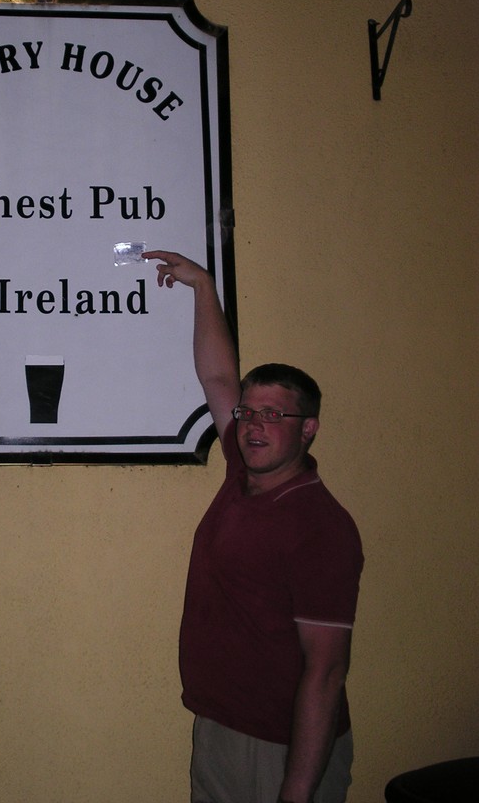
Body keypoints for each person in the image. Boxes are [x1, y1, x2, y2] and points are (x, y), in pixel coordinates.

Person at [144, 250, 364, 803]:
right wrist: (203, 286)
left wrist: (297, 790)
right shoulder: (243, 473)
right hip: (220, 727)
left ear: (308, 429)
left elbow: (326, 672)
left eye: (274, 415)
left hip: (280, 749)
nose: (253, 425)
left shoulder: (320, 527)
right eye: (248, 412)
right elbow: (218, 375)